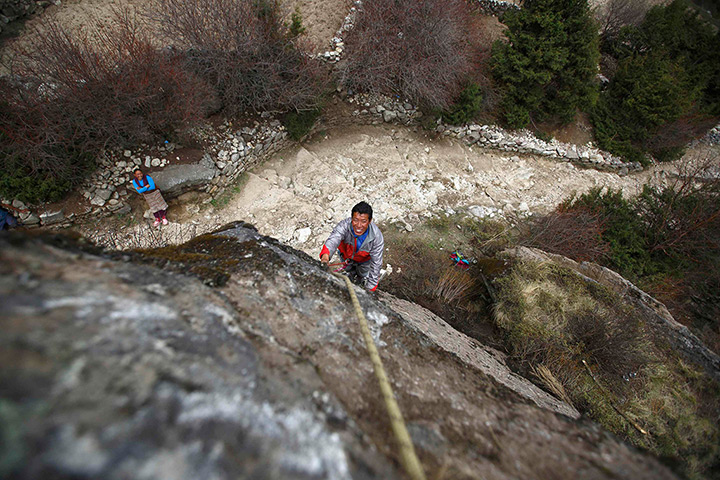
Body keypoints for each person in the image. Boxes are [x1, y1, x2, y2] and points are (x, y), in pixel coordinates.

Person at [320, 201, 384, 291]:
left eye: (363, 221)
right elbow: (333, 240)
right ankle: (350, 277)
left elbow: (376, 264)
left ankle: (360, 280)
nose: (358, 225)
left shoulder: (376, 237)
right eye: (355, 220)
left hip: (364, 261)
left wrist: (370, 290)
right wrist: (325, 258)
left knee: (362, 274)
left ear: (370, 221)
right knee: (349, 270)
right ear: (351, 218)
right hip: (346, 257)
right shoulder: (344, 226)